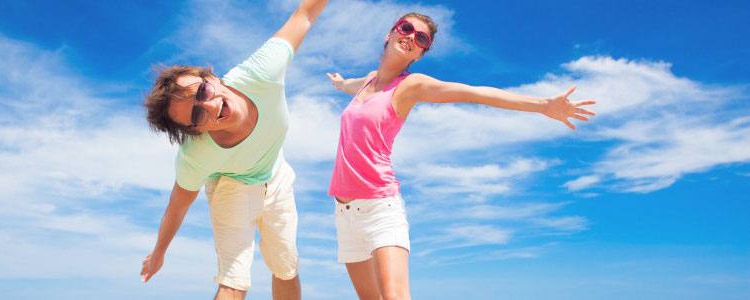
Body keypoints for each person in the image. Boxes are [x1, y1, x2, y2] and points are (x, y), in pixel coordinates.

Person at [325, 12, 596, 300]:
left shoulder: (410, 86)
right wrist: (341, 83)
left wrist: (542, 105)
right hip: (344, 214)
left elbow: (473, 93)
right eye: (406, 28)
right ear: (389, 33)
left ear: (419, 54)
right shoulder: (367, 83)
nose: (411, 38)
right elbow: (352, 85)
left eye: (421, 39)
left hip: (380, 208)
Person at [139, 1, 329, 299]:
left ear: (210, 77)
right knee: (234, 278)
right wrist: (158, 253)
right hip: (233, 185)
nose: (211, 106)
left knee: (286, 267)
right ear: (195, 132)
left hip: (276, 176)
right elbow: (176, 207)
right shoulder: (196, 155)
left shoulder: (261, 72)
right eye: (197, 115)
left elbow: (303, 15)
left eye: (202, 91)